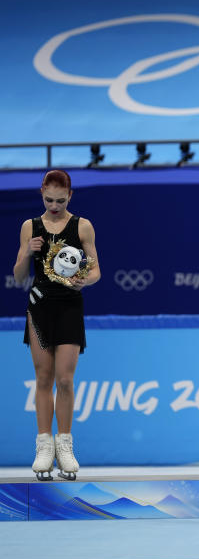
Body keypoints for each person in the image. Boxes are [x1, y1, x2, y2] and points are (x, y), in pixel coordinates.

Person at [12, 169, 101, 480]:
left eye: (60, 200)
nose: (54, 205)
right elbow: (20, 277)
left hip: (69, 308)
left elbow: (96, 271)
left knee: (64, 380)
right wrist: (26, 252)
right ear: (41, 194)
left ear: (70, 196)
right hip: (38, 308)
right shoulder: (30, 227)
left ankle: (65, 445)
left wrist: (82, 282)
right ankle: (44, 446)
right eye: (49, 199)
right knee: (43, 378)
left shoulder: (83, 226)